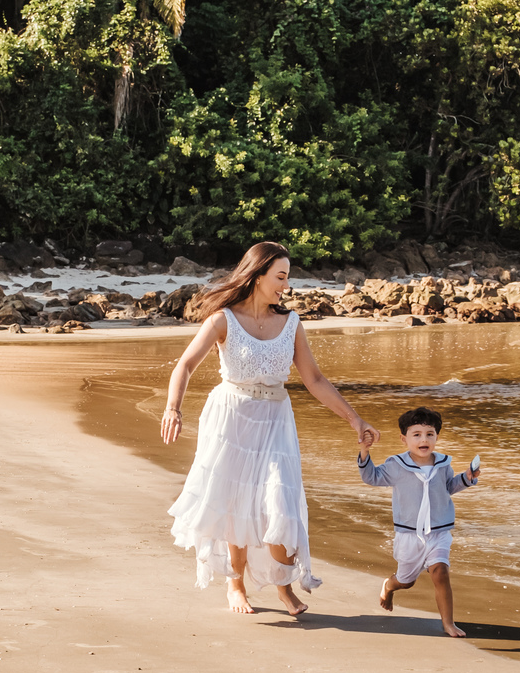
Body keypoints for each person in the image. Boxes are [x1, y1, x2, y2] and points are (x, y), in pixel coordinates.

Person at [161, 242, 380, 616]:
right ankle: (236, 584)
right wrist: (172, 408)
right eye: (280, 277)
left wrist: (354, 419)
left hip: (276, 419)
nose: (286, 285)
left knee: (279, 500)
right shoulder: (223, 320)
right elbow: (185, 365)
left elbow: (314, 379)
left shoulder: (290, 323)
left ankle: (283, 586)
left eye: (287, 277)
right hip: (232, 417)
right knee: (236, 502)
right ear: (257, 275)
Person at [357, 406, 481, 637]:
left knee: (440, 573)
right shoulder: (396, 464)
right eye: (416, 434)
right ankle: (389, 586)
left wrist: (467, 478)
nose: (424, 440)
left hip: (438, 532)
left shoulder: (443, 463)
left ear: (436, 437)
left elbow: (447, 488)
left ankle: (448, 623)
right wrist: (365, 451)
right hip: (409, 535)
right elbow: (371, 477)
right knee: (406, 582)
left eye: (429, 434)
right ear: (404, 439)